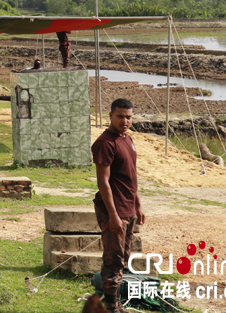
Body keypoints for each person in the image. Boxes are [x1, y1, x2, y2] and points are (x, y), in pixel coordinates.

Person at [92, 99, 144, 313]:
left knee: (124, 257)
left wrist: (138, 204)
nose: (125, 120)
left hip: (128, 207)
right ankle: (111, 306)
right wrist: (113, 216)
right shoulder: (105, 143)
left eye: (128, 117)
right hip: (113, 210)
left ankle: (115, 302)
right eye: (120, 116)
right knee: (113, 258)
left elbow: (130, 174)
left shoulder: (127, 138)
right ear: (111, 116)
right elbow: (103, 181)